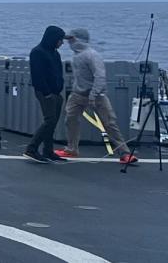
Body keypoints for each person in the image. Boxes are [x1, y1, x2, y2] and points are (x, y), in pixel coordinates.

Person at [56, 28, 137, 164]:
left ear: (80, 39)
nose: (69, 42)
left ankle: (125, 153)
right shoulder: (76, 56)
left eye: (72, 39)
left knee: (109, 123)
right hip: (77, 94)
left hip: (97, 95)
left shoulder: (92, 55)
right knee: (70, 119)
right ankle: (72, 149)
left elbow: (100, 76)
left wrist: (93, 94)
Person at [24, 25, 66, 163]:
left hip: (56, 92)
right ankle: (31, 148)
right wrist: (46, 92)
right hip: (45, 92)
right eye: (60, 39)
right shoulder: (37, 52)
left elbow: (58, 72)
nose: (62, 42)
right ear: (53, 39)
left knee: (53, 123)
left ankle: (48, 150)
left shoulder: (55, 54)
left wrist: (59, 88)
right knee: (50, 121)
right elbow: (37, 75)